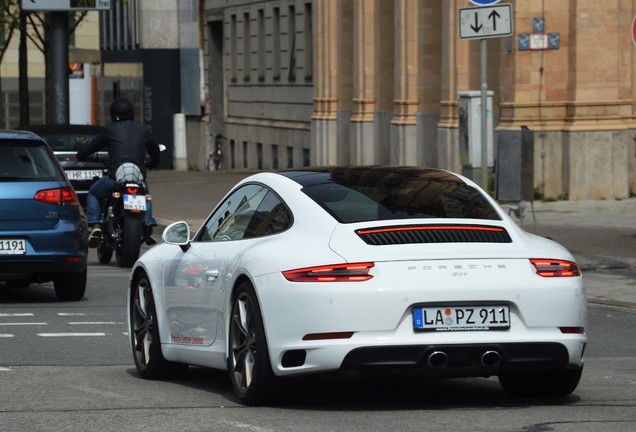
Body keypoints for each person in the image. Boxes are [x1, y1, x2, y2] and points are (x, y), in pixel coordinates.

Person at [77, 97, 161, 248]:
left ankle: (95, 224)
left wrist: (82, 155)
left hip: (114, 178)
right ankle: (147, 222)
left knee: (94, 193)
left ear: (113, 114)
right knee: (145, 195)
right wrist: (154, 163)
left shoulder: (110, 130)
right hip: (138, 178)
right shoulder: (144, 130)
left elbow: (93, 145)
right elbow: (155, 150)